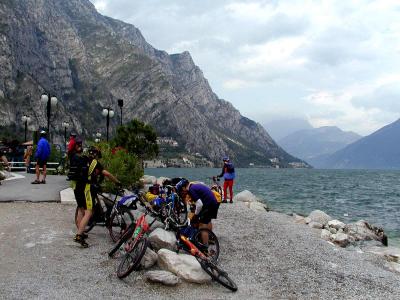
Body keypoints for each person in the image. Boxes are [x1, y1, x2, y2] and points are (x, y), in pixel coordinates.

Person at [73, 145, 121, 248]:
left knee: (81, 210)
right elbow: (106, 174)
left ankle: (80, 231)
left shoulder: (83, 160)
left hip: (77, 188)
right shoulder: (95, 163)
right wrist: (117, 182)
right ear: (96, 155)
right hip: (86, 189)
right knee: (88, 212)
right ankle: (79, 236)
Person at [175, 178, 219, 246]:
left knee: (202, 225)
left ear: (183, 187)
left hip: (208, 205)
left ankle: (205, 246)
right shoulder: (194, 186)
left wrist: (195, 215)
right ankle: (210, 238)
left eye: (181, 190)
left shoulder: (191, 190)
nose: (182, 192)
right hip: (214, 203)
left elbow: (199, 204)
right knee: (208, 221)